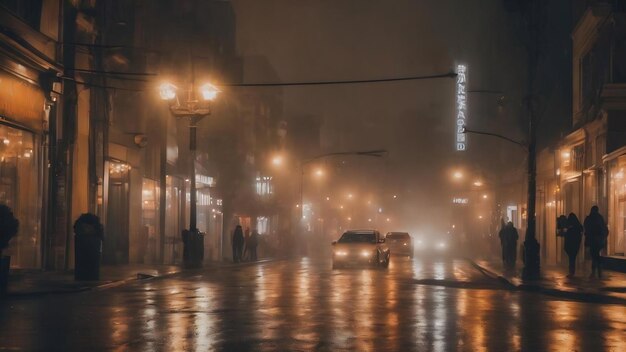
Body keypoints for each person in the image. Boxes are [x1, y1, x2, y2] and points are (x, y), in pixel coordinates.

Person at [584, 206, 608, 278]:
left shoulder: (589, 218)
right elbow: (604, 229)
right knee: (596, 255)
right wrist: (603, 238)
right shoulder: (600, 218)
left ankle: (594, 272)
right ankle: (598, 271)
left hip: (592, 241)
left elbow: (586, 228)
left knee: (594, 255)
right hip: (599, 241)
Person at [564, 213, 583, 278]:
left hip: (571, 245)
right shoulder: (578, 227)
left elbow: (567, 236)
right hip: (575, 245)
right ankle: (572, 271)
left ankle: (571, 272)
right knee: (572, 258)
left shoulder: (570, 228)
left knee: (571, 258)